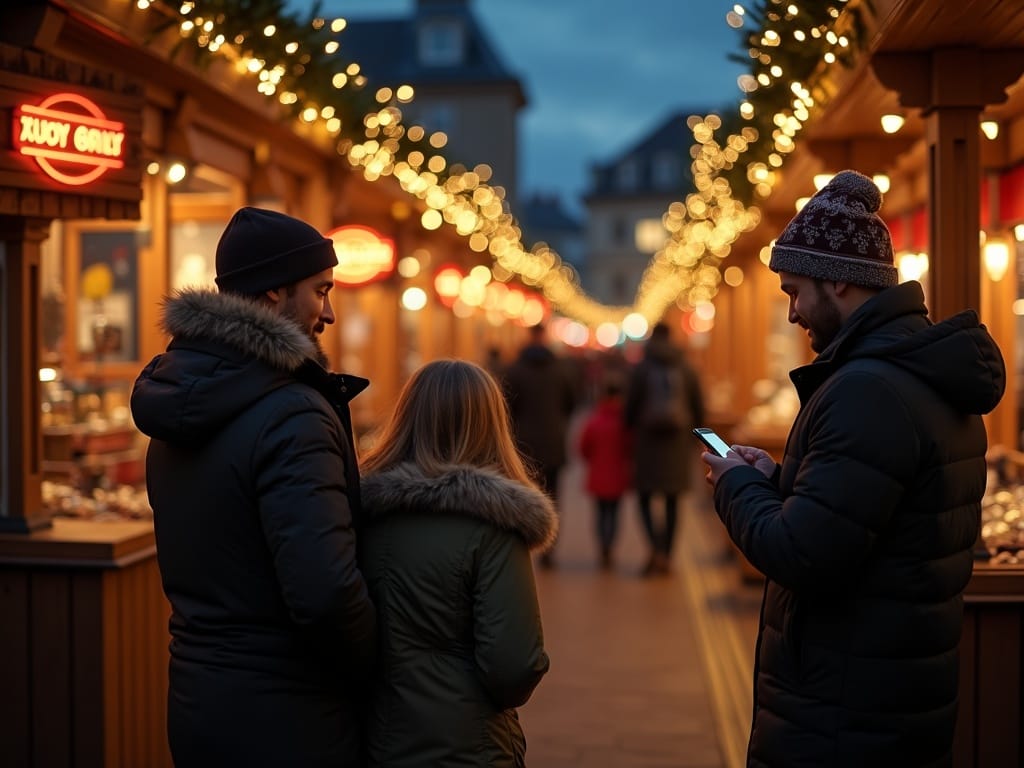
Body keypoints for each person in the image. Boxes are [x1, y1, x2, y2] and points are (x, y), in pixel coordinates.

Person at [700, 170, 1006, 767]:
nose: (791, 314)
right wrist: (780, 482)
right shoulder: (913, 376)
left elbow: (803, 554)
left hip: (843, 715)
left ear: (838, 279)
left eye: (793, 291)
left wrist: (736, 487)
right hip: (891, 697)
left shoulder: (868, 391)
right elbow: (868, 523)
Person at [130, 207, 377, 766]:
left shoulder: (183, 397)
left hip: (199, 699)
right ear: (273, 293)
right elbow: (326, 593)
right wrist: (371, 665)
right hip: (289, 717)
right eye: (320, 291)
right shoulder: (291, 414)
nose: (330, 313)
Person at [359, 359, 555, 767]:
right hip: (468, 745)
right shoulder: (494, 527)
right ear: (491, 425)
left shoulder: (360, 514)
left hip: (373, 736)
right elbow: (513, 665)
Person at [624, 321, 706, 576]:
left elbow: (630, 407)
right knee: (673, 500)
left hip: (648, 441)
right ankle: (668, 555)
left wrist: (631, 429)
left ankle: (656, 549)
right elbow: (698, 405)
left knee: (645, 497)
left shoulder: (642, 367)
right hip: (677, 442)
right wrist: (695, 438)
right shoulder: (686, 367)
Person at [502, 322, 578, 566]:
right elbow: (571, 403)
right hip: (554, 441)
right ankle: (549, 547)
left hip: (524, 444)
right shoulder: (561, 370)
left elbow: (508, 408)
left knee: (523, 493)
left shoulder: (514, 369)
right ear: (544, 337)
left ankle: (525, 545)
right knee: (554, 496)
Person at [577, 376, 632, 568]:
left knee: (600, 514)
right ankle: (610, 547)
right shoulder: (624, 423)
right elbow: (630, 448)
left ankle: (602, 547)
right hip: (617, 477)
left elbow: (583, 447)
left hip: (598, 477)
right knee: (614, 515)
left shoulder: (594, 421)